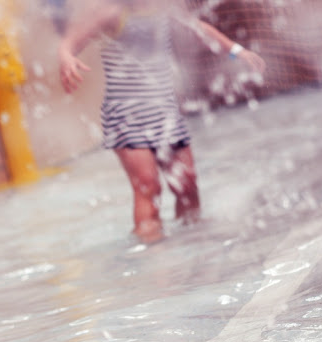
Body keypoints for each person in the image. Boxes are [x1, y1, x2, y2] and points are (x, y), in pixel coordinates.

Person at [58, 0, 266, 243]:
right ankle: (152, 251)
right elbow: (68, 43)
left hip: (164, 112)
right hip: (126, 115)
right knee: (148, 187)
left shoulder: (164, 8)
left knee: (187, 186)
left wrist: (236, 50)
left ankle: (193, 242)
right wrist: (67, 58)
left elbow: (198, 29)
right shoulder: (111, 12)